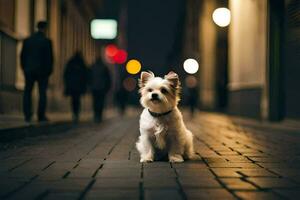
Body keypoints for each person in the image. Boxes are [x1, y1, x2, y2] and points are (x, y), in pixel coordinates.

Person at [21, 21, 53, 122]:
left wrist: (24, 68)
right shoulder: (46, 41)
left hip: (29, 70)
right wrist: (48, 71)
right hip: (42, 72)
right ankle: (41, 116)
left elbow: (22, 56)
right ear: (45, 28)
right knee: (42, 93)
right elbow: (49, 59)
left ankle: (27, 115)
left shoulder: (28, 40)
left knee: (27, 92)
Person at [63, 52, 88, 123]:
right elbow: (85, 75)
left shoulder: (71, 63)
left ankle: (75, 113)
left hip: (72, 85)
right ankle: (76, 113)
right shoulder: (81, 63)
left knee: (74, 100)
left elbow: (66, 74)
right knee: (77, 100)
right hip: (78, 86)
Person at [90, 57, 112, 122]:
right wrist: (107, 87)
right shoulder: (104, 68)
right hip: (102, 88)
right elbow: (108, 79)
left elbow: (89, 77)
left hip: (94, 88)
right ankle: (99, 115)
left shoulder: (92, 67)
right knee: (101, 102)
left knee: (95, 102)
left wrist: (89, 85)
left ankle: (96, 115)